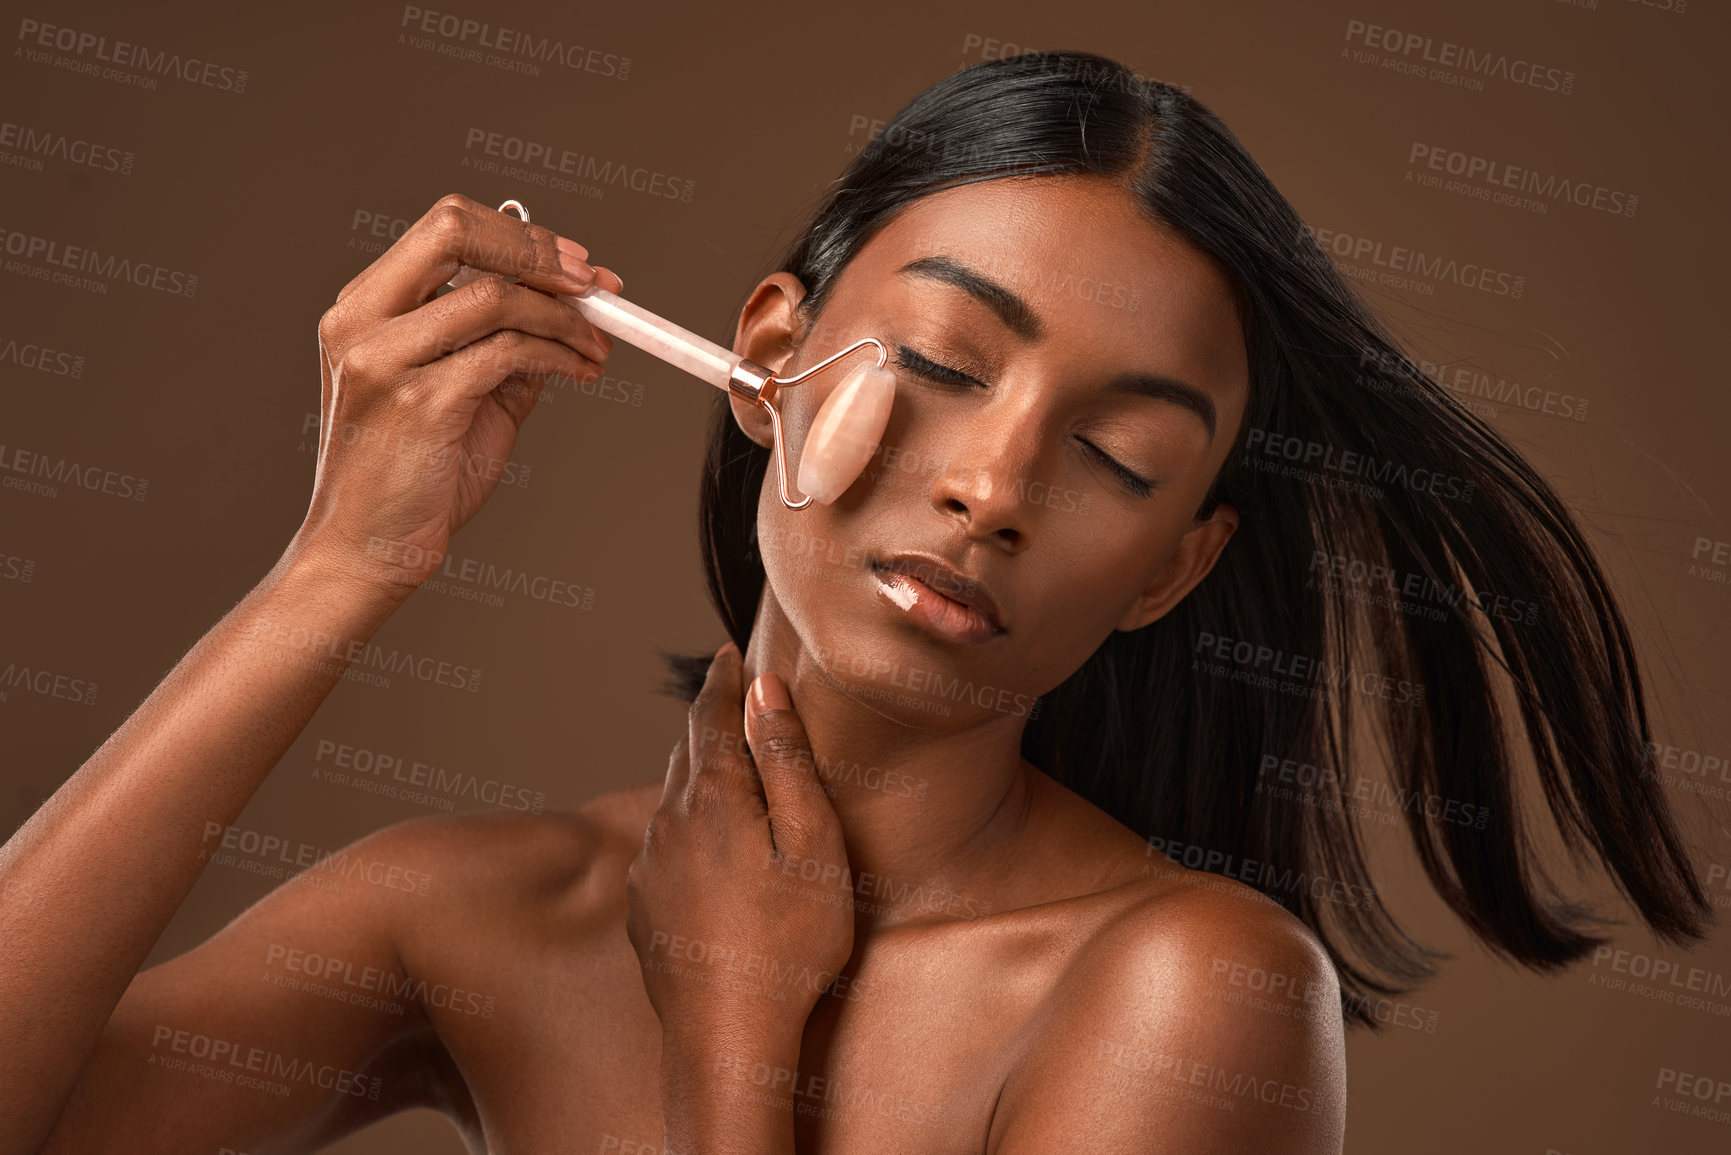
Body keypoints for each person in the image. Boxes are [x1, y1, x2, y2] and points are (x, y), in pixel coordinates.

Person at [2, 50, 1708, 1155]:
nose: (993, 486)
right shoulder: (476, 915)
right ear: (763, 364)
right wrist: (336, 571)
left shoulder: (1189, 992)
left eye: (1119, 457)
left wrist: (734, 1041)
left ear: (1172, 572)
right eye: (949, 365)